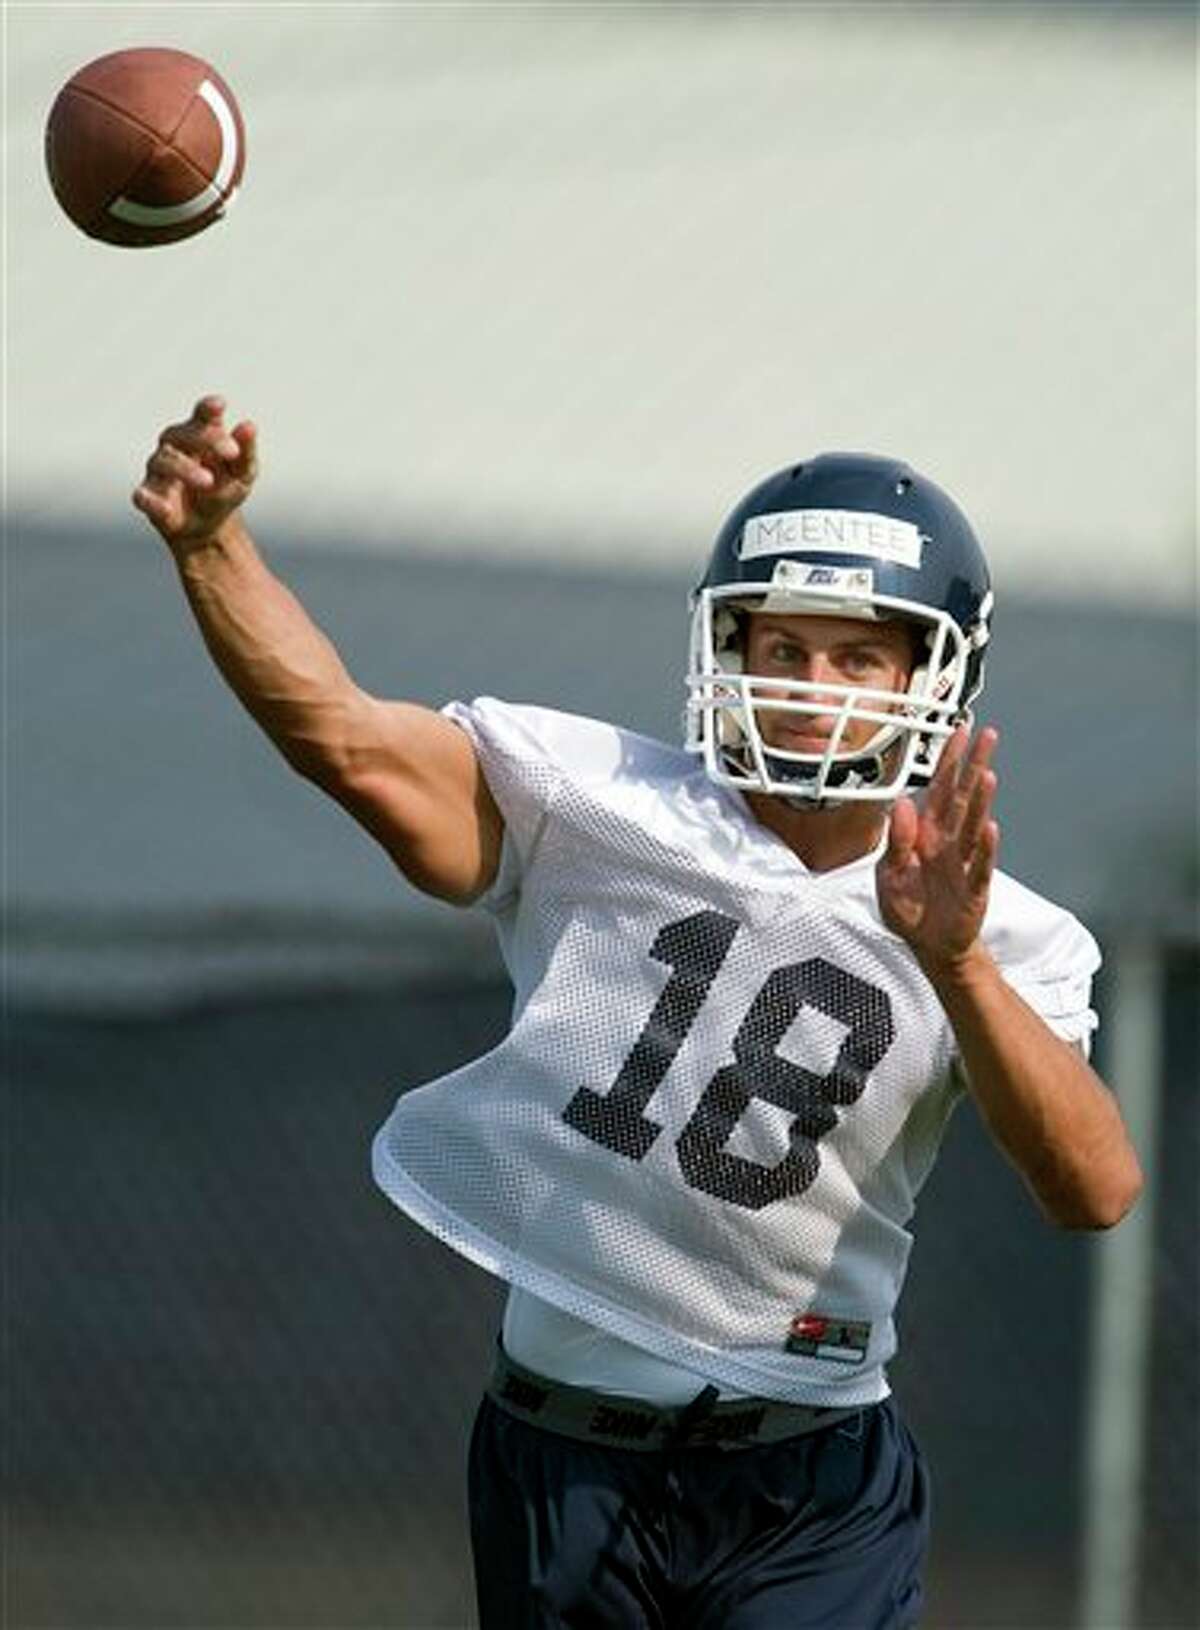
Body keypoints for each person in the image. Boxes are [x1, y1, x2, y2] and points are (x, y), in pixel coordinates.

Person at [133, 396, 1142, 1630]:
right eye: (780, 649)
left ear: (935, 674)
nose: (812, 690)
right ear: (729, 651)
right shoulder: (597, 799)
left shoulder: (1009, 929)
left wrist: (960, 963)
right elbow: (346, 739)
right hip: (564, 1458)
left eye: (858, 657)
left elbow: (1093, 1188)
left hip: (808, 1475)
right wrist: (213, 547)